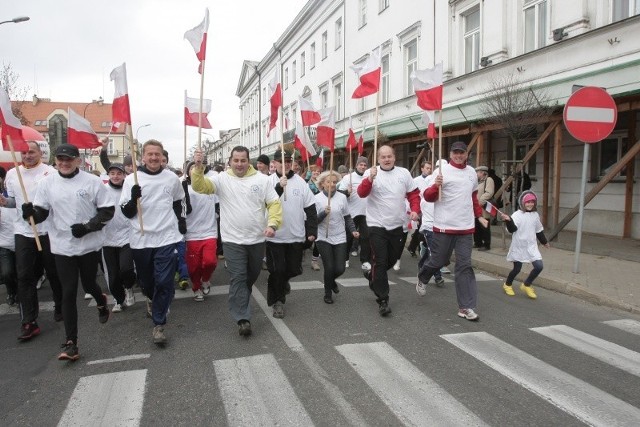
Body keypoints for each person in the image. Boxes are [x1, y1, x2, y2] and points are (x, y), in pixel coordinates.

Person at [23, 143, 115, 361]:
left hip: (88, 244)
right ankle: (71, 342)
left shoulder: (92, 182)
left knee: (90, 283)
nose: (64, 163)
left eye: (69, 159)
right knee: (69, 291)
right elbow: (41, 214)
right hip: (62, 245)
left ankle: (100, 300)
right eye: (60, 159)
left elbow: (107, 211)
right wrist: (31, 214)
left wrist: (87, 227)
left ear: (78, 161)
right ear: (55, 161)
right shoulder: (47, 183)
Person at [191, 146, 282, 336]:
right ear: (230, 161)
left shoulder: (262, 180)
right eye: (236, 160)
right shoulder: (222, 179)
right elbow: (200, 187)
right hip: (232, 240)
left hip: (256, 239)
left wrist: (272, 224)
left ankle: (240, 298)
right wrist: (198, 167)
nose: (239, 164)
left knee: (250, 276)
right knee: (238, 277)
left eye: (243, 160)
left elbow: (274, 203)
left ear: (248, 161)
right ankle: (243, 318)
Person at [120, 140, 186, 345]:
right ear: (143, 156)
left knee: (165, 281)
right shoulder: (132, 179)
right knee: (147, 282)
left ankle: (159, 323)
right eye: (150, 154)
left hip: (166, 236)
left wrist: (181, 221)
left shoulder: (171, 179)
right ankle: (151, 297)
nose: (154, 158)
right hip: (141, 238)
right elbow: (126, 212)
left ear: (162, 155)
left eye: (157, 154)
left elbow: (178, 202)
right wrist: (133, 200)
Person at [416, 141, 488, 321]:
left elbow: (473, 197)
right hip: (444, 226)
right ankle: (423, 276)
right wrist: (435, 186)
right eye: (455, 153)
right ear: (450, 154)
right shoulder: (441, 172)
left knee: (464, 266)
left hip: (465, 227)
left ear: (466, 154)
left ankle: (466, 307)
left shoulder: (471, 172)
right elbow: (428, 197)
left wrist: (479, 216)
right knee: (439, 260)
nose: (458, 155)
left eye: (461, 153)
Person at [2, 140, 64, 340]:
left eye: (31, 152)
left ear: (40, 153)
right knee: (25, 276)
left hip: (47, 231)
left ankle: (61, 305)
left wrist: (38, 211)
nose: (27, 156)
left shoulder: (50, 173)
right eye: (23, 152)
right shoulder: (12, 175)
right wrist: (6, 202)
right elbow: (13, 201)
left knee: (54, 273)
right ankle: (29, 321)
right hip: (23, 232)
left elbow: (58, 201)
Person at [357, 145, 420, 316]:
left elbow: (413, 194)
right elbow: (361, 193)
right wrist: (370, 178)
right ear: (378, 159)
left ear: (394, 157)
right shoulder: (371, 173)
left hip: (397, 225)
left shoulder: (403, 173)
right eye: (383, 157)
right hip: (377, 224)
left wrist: (415, 209)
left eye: (389, 156)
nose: (386, 159)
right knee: (381, 261)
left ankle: (372, 276)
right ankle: (383, 299)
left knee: (391, 261)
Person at [265, 149, 317, 318]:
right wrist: (279, 187)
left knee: (294, 269)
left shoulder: (301, 183)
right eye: (282, 160)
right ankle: (278, 301)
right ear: (274, 163)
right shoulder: (268, 182)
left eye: (288, 160)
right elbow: (265, 203)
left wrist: (311, 230)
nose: (286, 163)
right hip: (275, 235)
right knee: (277, 269)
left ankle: (280, 283)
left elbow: (310, 208)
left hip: (295, 234)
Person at [315, 170, 357, 304]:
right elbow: (313, 221)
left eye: (334, 182)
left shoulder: (342, 197)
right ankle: (327, 292)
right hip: (323, 236)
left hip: (339, 236)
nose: (332, 184)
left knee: (340, 268)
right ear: (322, 184)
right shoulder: (316, 199)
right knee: (329, 267)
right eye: (329, 182)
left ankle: (331, 281)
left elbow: (347, 216)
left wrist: (353, 230)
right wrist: (323, 214)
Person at [500, 191, 549, 299]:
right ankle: (507, 285)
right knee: (517, 269)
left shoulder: (535, 215)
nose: (530, 204)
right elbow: (512, 229)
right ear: (522, 203)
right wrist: (509, 221)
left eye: (532, 202)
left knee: (539, 266)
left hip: (531, 246)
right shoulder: (517, 215)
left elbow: (538, 230)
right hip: (519, 246)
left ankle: (526, 284)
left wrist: (544, 241)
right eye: (527, 202)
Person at [102, 163, 136, 312]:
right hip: (107, 238)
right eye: (112, 173)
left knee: (126, 269)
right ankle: (118, 298)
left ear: (124, 175)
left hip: (127, 236)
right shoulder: (102, 191)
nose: (115, 176)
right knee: (113, 275)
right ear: (109, 175)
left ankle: (128, 287)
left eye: (119, 173)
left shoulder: (128, 189)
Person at [183, 161, 218, 302]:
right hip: (192, 233)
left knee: (210, 262)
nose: (195, 170)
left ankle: (206, 279)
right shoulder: (185, 188)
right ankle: (196, 287)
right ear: (188, 172)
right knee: (194, 267)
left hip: (209, 231)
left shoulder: (209, 186)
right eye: (192, 168)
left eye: (198, 168)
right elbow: (183, 210)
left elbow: (218, 205)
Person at [338, 156, 370, 269]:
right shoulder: (348, 178)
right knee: (349, 237)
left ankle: (365, 260)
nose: (363, 167)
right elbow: (339, 194)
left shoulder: (369, 177)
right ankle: (345, 258)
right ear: (356, 165)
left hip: (366, 212)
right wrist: (347, 192)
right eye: (361, 164)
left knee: (366, 238)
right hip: (351, 212)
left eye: (365, 165)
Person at [407, 160, 432, 257]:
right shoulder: (416, 180)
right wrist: (414, 210)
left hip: (429, 209)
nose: (429, 170)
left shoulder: (432, 179)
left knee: (421, 229)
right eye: (427, 168)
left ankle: (413, 247)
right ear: (422, 169)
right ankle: (419, 247)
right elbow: (412, 195)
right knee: (421, 229)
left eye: (430, 168)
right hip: (420, 209)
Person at [0, 205, 18, 306]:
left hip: (21, 243)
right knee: (7, 273)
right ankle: (11, 292)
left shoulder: (18, 202)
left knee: (22, 273)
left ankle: (21, 293)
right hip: (4, 246)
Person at [474, 166, 494, 251]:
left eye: (477, 172)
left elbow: (489, 192)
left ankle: (486, 244)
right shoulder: (478, 182)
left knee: (484, 226)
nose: (476, 174)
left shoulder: (488, 180)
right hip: (477, 208)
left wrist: (481, 201)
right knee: (477, 226)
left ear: (482, 172)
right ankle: (478, 242)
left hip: (483, 208)